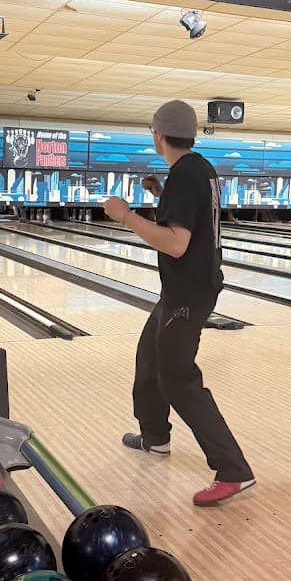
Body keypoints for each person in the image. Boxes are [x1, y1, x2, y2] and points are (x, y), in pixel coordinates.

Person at [104, 100, 256, 507]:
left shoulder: (186, 175)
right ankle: (155, 438)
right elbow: (190, 218)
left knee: (177, 379)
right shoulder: (196, 169)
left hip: (188, 294)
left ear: (158, 134)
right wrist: (160, 193)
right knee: (148, 358)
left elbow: (175, 243)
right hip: (185, 289)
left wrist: (125, 215)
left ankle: (233, 470)